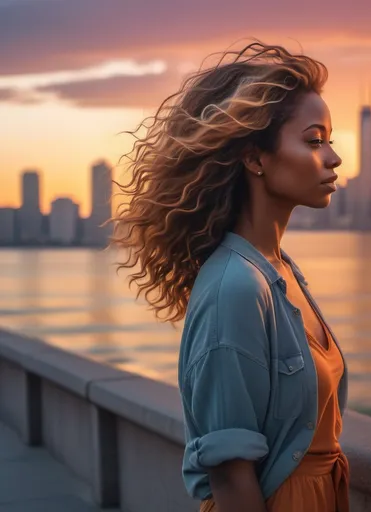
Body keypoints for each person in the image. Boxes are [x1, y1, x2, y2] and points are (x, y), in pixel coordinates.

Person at [113, 40, 349, 512]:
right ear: (255, 158)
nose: (333, 157)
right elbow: (231, 474)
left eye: (329, 139)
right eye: (313, 140)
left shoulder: (281, 272)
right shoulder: (235, 289)